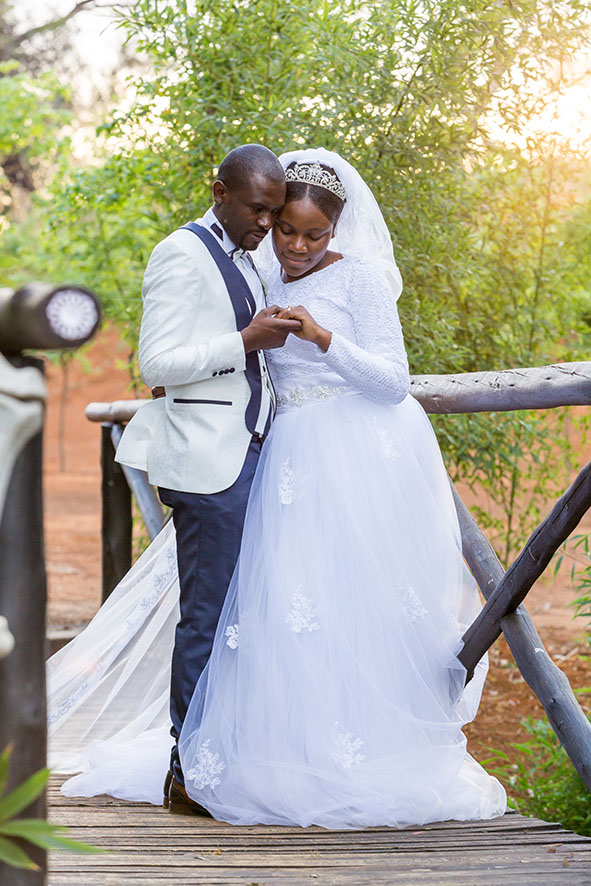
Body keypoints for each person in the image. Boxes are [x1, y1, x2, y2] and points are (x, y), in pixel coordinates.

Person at [47, 148, 506, 829]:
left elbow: (392, 381)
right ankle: (232, 757)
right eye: (282, 226)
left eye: (311, 234)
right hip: (274, 458)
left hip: (347, 464)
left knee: (344, 609)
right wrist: (230, 352)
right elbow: (189, 355)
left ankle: (337, 751)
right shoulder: (249, 264)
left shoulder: (358, 280)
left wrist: (323, 339)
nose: (292, 243)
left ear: (336, 230)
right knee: (269, 613)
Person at [111, 143, 300, 813]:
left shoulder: (246, 256)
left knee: (242, 618)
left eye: (274, 211)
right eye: (257, 209)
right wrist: (246, 341)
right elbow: (157, 362)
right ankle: (185, 771)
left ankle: (222, 758)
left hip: (251, 454)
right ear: (219, 191)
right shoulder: (182, 254)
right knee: (208, 618)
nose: (266, 224)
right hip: (208, 463)